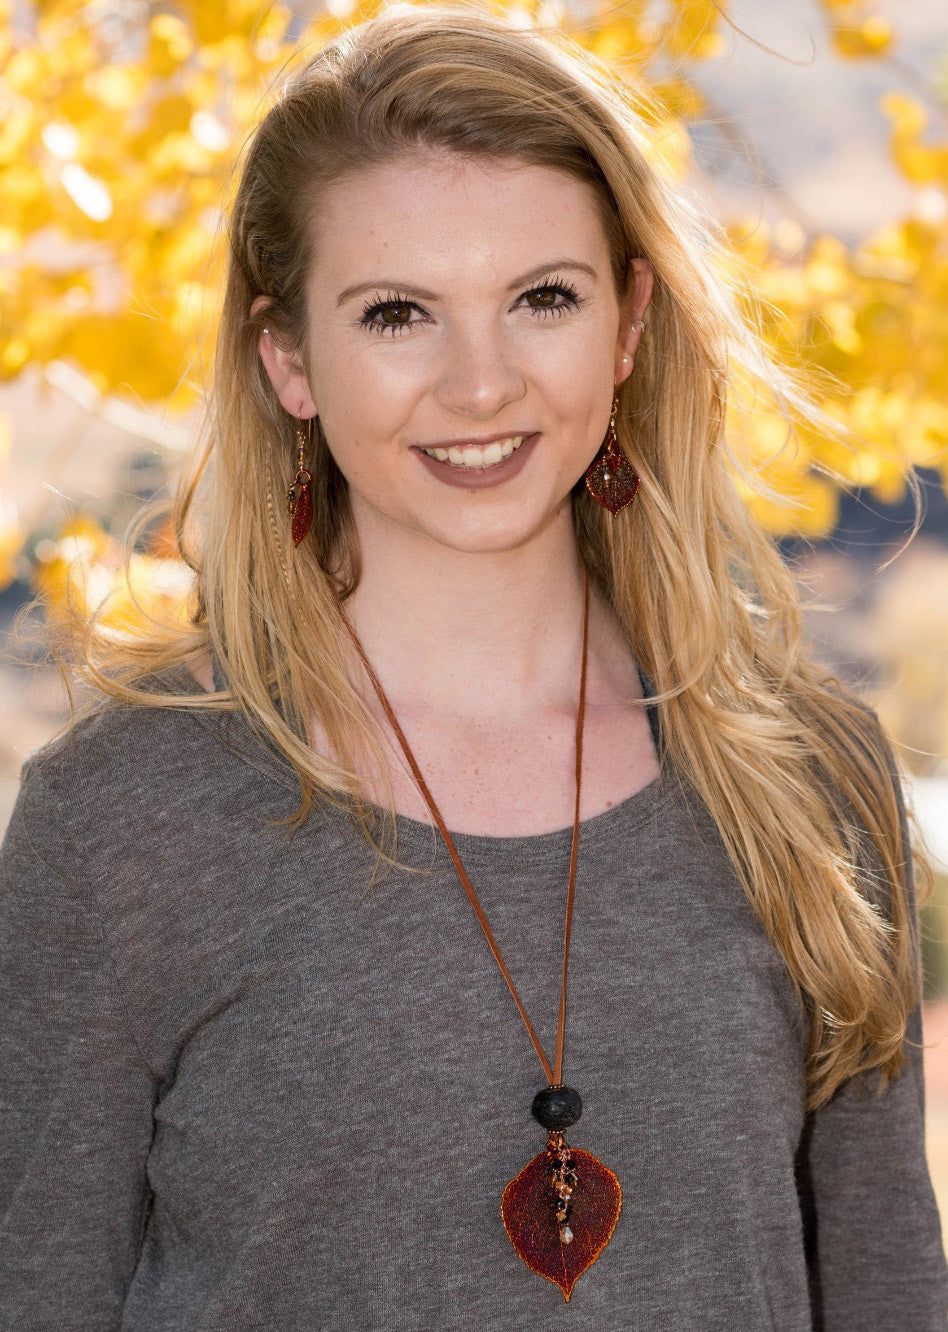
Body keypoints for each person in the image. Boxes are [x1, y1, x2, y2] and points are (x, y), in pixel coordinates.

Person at [2, 4, 946, 1328]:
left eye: (541, 299)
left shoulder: (809, 780)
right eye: (398, 314)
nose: (482, 382)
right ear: (289, 362)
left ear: (626, 324)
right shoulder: (120, 822)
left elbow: (888, 1291)